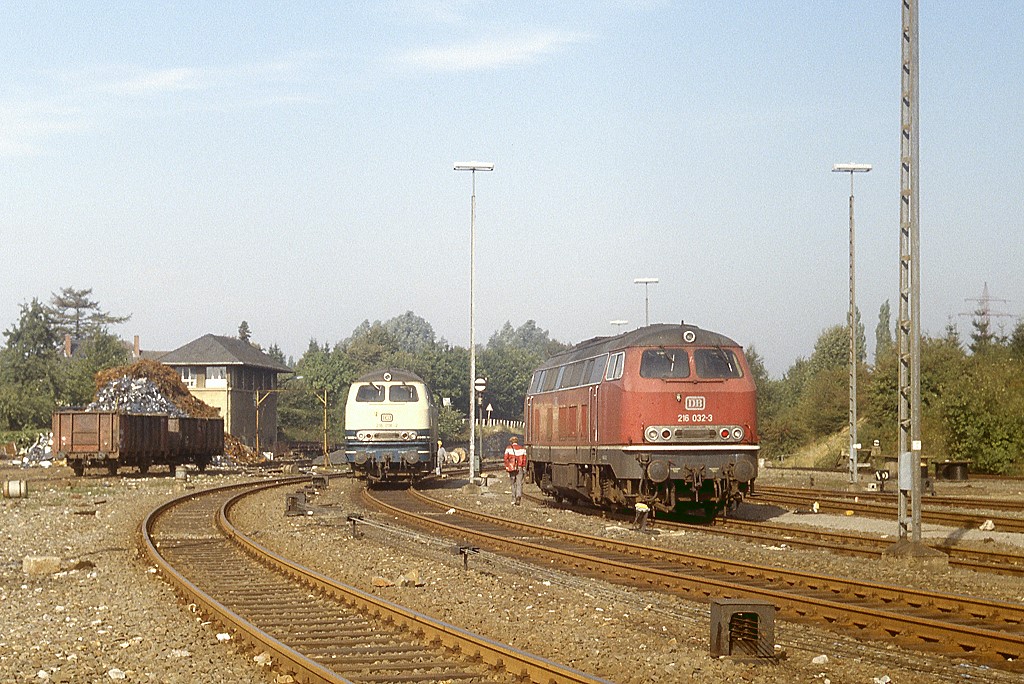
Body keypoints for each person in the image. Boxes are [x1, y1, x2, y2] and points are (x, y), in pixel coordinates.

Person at [503, 436, 527, 505]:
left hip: (512, 468)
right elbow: (524, 460)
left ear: (511, 442)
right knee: (519, 483)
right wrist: (523, 467)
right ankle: (518, 496)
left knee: (513, 483)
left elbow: (505, 459)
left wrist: (507, 466)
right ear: (517, 441)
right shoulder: (523, 449)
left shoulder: (508, 448)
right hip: (520, 468)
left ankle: (513, 499)